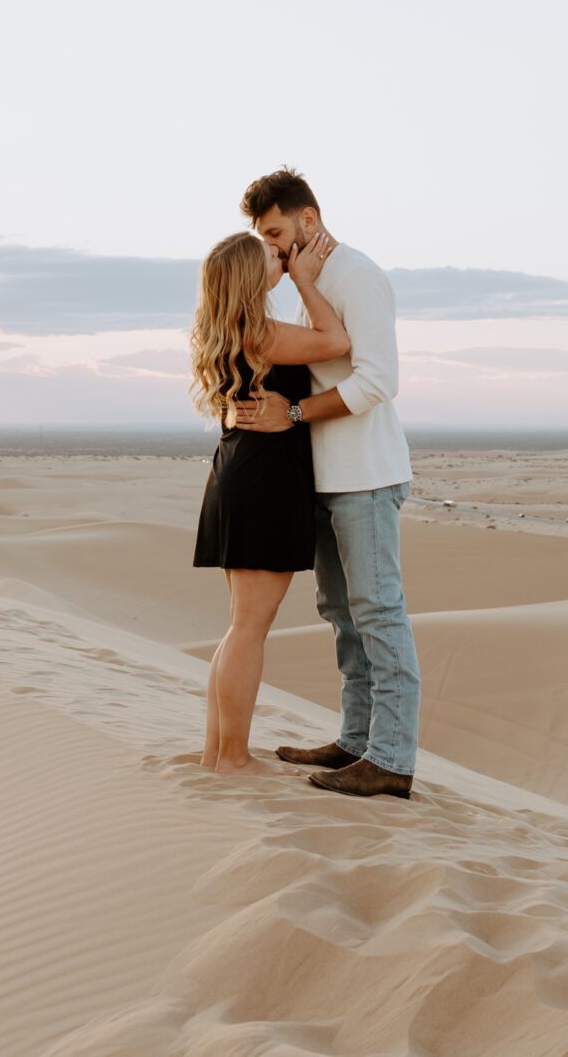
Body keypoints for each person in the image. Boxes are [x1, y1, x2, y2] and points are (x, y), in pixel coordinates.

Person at [228, 167, 420, 800]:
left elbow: (377, 381)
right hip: (322, 478)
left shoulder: (357, 275)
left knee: (378, 613)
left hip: (364, 476)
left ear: (307, 220)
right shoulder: (304, 283)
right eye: (264, 237)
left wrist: (296, 415)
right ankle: (356, 740)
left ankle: (390, 760)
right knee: (340, 614)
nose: (273, 248)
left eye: (277, 232)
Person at [187, 224, 350, 774]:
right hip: (262, 481)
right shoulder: (258, 332)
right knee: (249, 629)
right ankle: (232, 757)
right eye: (271, 254)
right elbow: (336, 342)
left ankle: (218, 753)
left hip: (240, 475)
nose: (281, 255)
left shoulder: (233, 331)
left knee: (240, 626)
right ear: (249, 275)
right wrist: (305, 281)